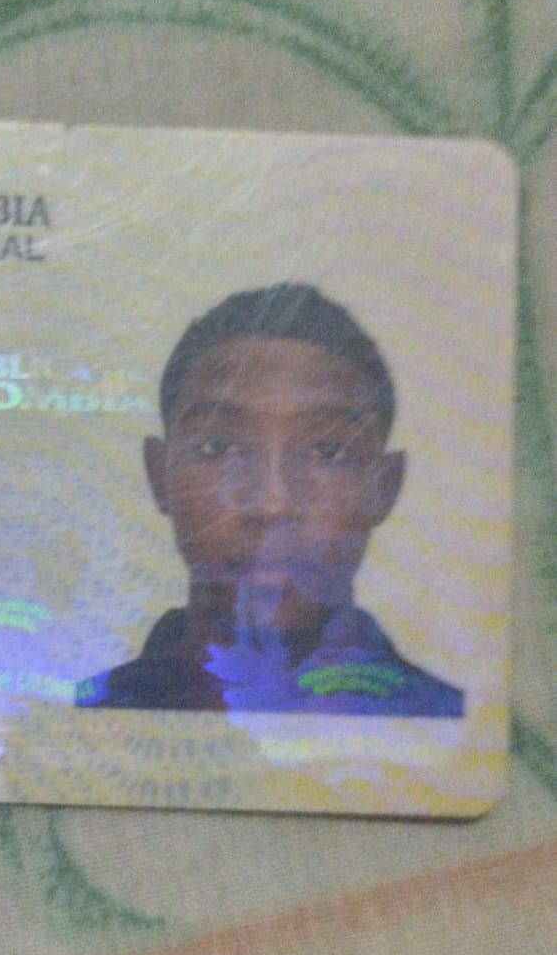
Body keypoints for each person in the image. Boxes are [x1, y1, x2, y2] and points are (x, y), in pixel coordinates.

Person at [75, 283, 463, 716]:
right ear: (159, 475)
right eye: (219, 447)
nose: (272, 504)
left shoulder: (460, 726)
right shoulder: (72, 720)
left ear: (385, 486)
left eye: (329, 452)